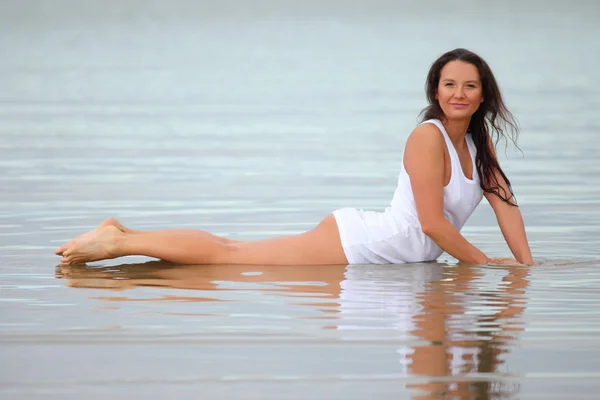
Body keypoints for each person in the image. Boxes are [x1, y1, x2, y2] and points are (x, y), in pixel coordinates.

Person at [55, 48, 534, 267]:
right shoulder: (426, 137)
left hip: (391, 253)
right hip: (365, 246)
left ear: (483, 93)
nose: (459, 93)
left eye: (469, 85)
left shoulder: (479, 142)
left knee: (231, 249)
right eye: (449, 84)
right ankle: (115, 246)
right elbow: (430, 223)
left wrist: (525, 267)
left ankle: (125, 234)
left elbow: (505, 204)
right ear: (435, 89)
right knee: (230, 258)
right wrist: (485, 264)